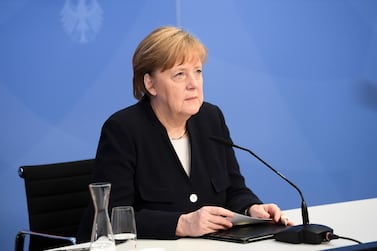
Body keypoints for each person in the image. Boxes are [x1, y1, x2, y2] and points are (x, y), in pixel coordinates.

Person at [77, 26, 292, 242]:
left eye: (198, 71)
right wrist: (181, 224)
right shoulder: (123, 129)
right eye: (180, 74)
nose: (193, 84)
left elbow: (234, 190)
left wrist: (251, 209)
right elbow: (114, 216)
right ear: (150, 84)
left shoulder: (211, 118)